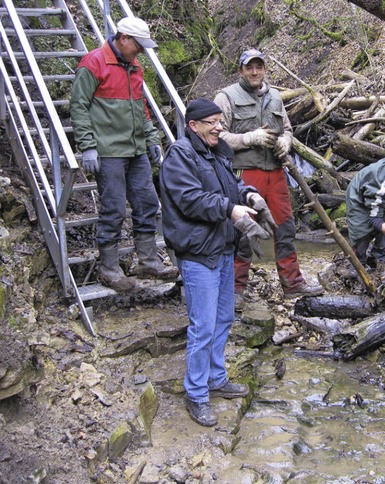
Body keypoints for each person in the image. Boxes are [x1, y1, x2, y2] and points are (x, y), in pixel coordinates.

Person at [159, 98, 273, 427]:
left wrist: (249, 194)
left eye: (220, 121)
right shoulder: (180, 155)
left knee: (223, 318)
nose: (219, 127)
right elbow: (189, 199)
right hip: (197, 253)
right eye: (212, 122)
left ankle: (215, 378)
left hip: (222, 246)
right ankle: (196, 394)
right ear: (193, 125)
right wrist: (230, 209)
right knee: (203, 326)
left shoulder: (216, 150)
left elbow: (231, 185)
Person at [70, 16, 178, 291]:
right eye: (138, 45)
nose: (141, 50)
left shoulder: (134, 66)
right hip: (108, 151)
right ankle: (108, 267)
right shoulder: (93, 63)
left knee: (147, 203)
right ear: (124, 38)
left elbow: (140, 107)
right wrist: (88, 146)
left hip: (136, 149)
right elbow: (79, 108)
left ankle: (148, 260)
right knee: (114, 208)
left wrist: (152, 138)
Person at [213, 48, 323, 309]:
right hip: (242, 173)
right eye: (249, 67)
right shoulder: (226, 96)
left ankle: (293, 283)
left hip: (275, 172)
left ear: (264, 69)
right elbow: (215, 136)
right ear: (240, 70)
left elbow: (286, 128)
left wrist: (286, 141)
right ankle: (235, 288)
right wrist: (247, 139)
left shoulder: (274, 96)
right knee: (242, 230)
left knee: (285, 227)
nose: (254, 71)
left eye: (258, 66)